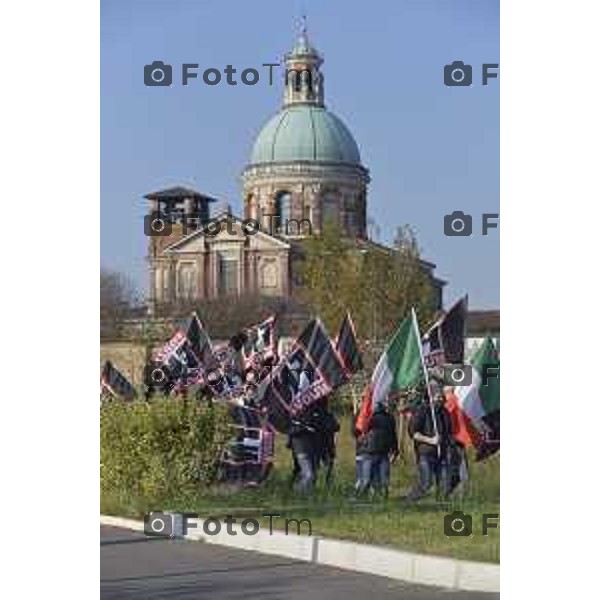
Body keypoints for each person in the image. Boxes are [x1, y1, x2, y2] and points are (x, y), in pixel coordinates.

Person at [407, 386, 453, 501]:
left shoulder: (445, 412)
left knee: (444, 485)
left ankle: (441, 508)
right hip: (426, 453)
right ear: (431, 397)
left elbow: (448, 432)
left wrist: (450, 445)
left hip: (442, 454)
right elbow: (413, 433)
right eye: (438, 397)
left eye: (442, 397)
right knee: (426, 483)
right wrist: (431, 440)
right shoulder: (422, 411)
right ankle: (409, 502)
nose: (441, 399)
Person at [354, 397, 399, 498]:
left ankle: (380, 503)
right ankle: (359, 501)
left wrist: (395, 451)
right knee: (366, 481)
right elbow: (355, 432)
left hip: (381, 453)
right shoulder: (364, 415)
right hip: (368, 452)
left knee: (382, 482)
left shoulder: (389, 418)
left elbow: (392, 434)